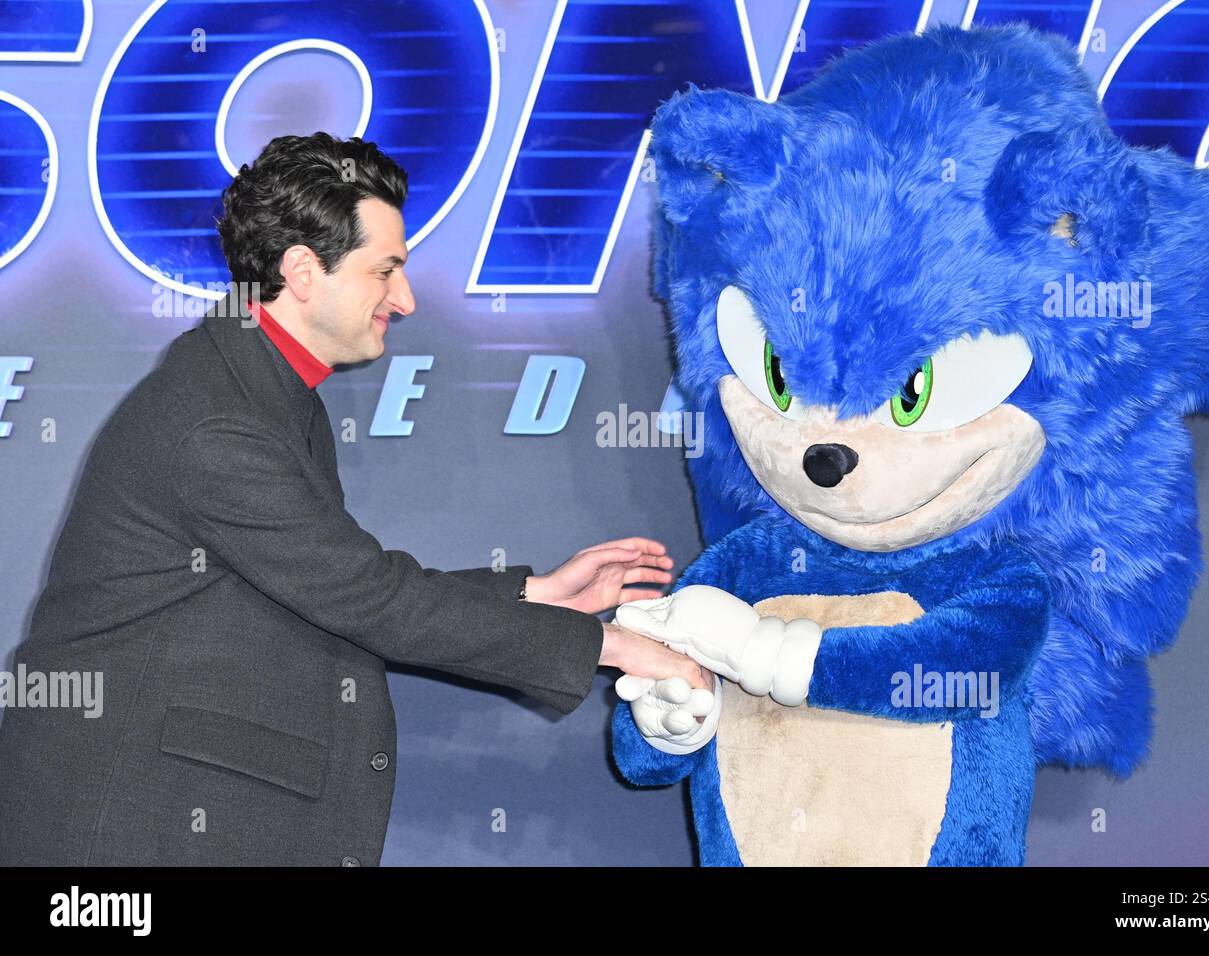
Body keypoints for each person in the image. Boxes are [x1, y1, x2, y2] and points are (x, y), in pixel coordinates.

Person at [0, 132, 708, 866]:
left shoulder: (255, 387)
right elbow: (369, 599)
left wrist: (536, 593)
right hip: (120, 840)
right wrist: (613, 645)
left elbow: (327, 586)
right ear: (303, 271)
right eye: (385, 271)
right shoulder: (220, 422)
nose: (403, 299)